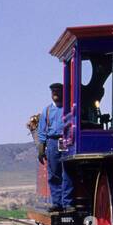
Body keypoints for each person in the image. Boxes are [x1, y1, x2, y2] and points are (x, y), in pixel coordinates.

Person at [37, 82, 74, 210]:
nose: (56, 94)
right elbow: (42, 130)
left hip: (66, 140)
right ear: (51, 94)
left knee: (67, 172)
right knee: (53, 173)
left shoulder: (68, 109)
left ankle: (67, 203)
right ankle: (57, 203)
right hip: (52, 142)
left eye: (58, 92)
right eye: (54, 92)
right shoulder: (46, 111)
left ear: (62, 93)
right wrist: (41, 147)